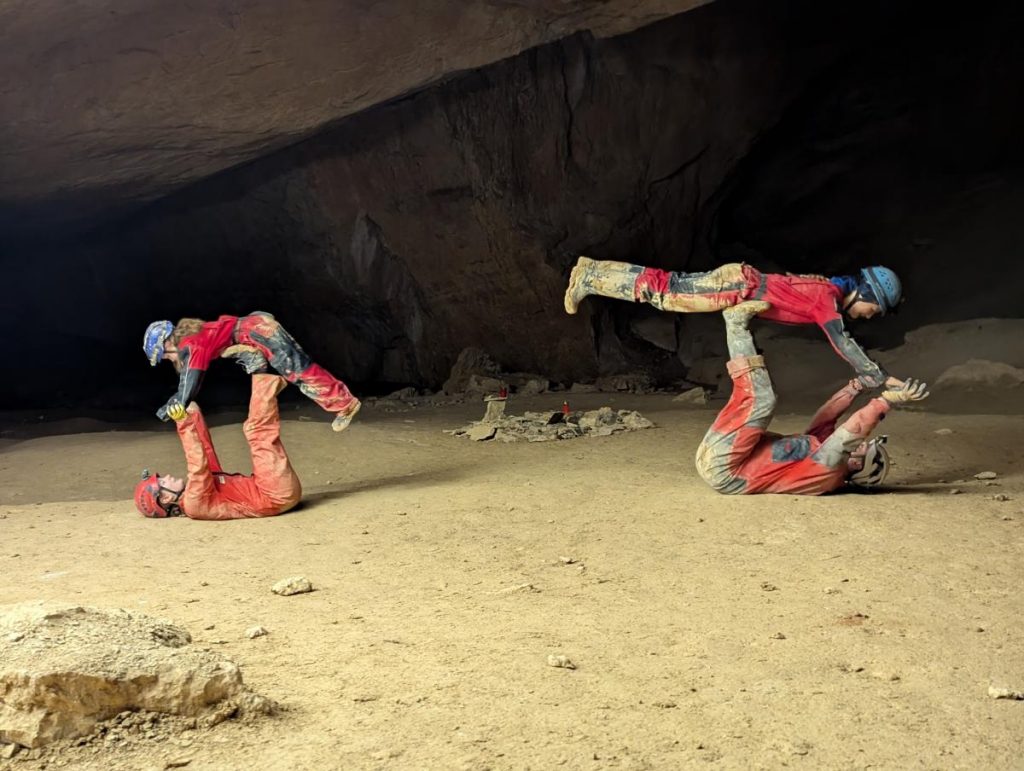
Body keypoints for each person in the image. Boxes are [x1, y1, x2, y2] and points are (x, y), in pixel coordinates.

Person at [694, 300, 929, 495]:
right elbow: (825, 419)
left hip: (726, 468)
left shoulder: (828, 471)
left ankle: (736, 326)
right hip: (723, 461)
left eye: (868, 449)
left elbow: (849, 433)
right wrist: (856, 386)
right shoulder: (817, 456)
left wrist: (886, 401)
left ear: (858, 465)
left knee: (761, 401)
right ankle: (739, 332)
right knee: (757, 401)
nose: (865, 443)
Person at [564, 256, 903, 389]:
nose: (873, 315)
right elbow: (842, 340)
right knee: (664, 291)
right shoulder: (825, 298)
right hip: (734, 288)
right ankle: (591, 277)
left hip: (737, 283)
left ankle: (591, 272)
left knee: (667, 286)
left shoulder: (824, 288)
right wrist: (877, 376)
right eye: (876, 307)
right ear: (864, 292)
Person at [143, 311, 360, 432]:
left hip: (255, 331)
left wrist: (175, 404)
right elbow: (190, 379)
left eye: (163, 355)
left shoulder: (190, 345)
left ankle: (345, 404)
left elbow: (190, 381)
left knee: (297, 370)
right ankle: (263, 372)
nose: (167, 359)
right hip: (251, 331)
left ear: (166, 343)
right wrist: (177, 400)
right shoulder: (195, 340)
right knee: (275, 365)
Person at [134, 373, 302, 520]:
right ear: (164, 498)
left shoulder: (196, 497)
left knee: (255, 432)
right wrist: (184, 424)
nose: (168, 476)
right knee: (256, 431)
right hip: (275, 495)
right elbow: (198, 466)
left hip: (270, 491)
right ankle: (266, 374)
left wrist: (193, 415)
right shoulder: (194, 504)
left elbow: (207, 457)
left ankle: (267, 378)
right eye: (163, 481)